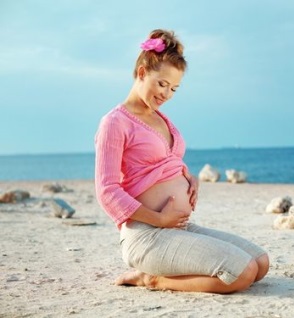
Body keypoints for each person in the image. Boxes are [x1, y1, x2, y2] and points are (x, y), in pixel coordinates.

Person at [94, 29, 269, 294]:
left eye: (174, 88)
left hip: (179, 228)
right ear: (142, 73)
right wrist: (158, 219)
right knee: (241, 273)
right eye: (162, 84)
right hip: (147, 235)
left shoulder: (162, 120)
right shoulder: (115, 122)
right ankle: (151, 279)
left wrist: (189, 177)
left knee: (260, 263)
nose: (167, 94)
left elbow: (164, 162)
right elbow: (107, 190)